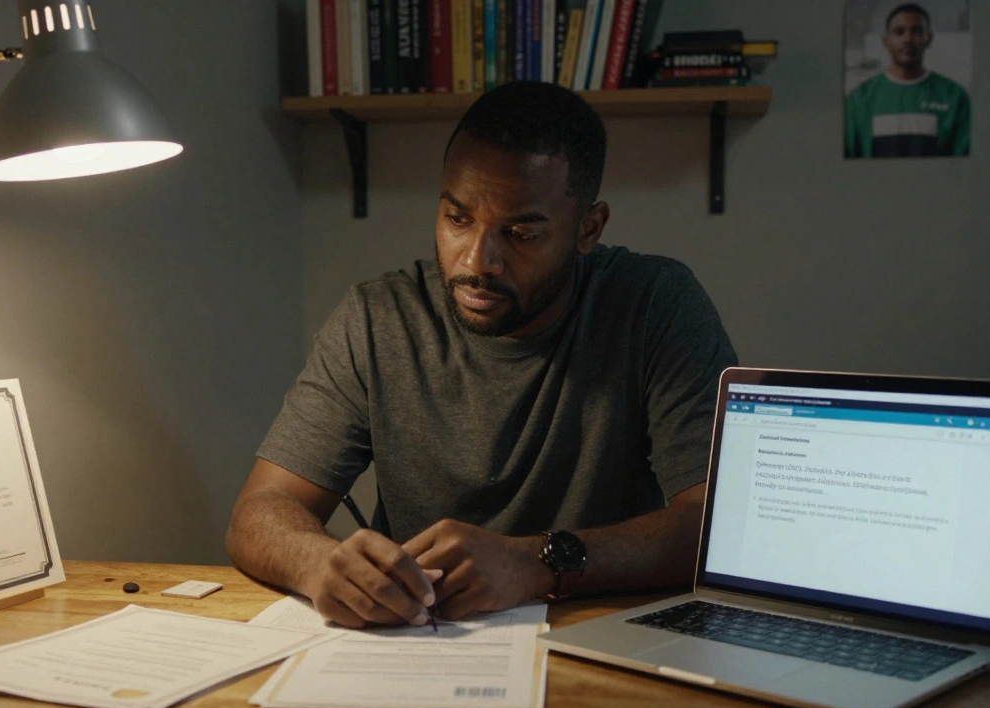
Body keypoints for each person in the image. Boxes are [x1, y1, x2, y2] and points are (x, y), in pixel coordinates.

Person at [226, 81, 737, 629]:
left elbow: (718, 525)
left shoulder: (654, 304)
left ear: (588, 229)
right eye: (458, 219)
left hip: (599, 634)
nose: (477, 261)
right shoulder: (377, 320)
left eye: (519, 233)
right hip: (418, 642)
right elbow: (259, 511)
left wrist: (537, 563)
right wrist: (317, 562)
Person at [844, 2, 971, 158]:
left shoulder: (955, 97)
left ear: (929, 39)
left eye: (917, 31)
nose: (908, 39)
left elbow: (964, 166)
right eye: (899, 32)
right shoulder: (859, 100)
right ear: (885, 41)